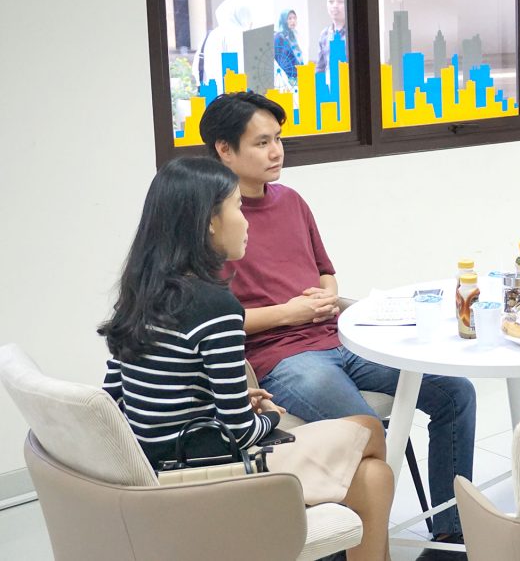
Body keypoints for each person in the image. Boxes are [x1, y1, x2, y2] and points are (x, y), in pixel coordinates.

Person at [198, 92, 475, 559]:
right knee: (366, 432)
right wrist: (290, 313)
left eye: (278, 139)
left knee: (456, 392)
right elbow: (214, 320)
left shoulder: (291, 201)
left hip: (339, 337)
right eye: (262, 143)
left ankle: (450, 535)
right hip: (282, 358)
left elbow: (325, 271)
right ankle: (359, 546)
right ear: (224, 149)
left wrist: (326, 294)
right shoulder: (214, 222)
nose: (276, 152)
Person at [99, 157, 394, 561]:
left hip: (159, 464)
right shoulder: (215, 305)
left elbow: (114, 395)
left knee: (374, 477)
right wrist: (269, 416)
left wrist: (224, 401)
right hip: (212, 469)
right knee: (370, 429)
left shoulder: (140, 291)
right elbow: (240, 432)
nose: (247, 221)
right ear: (210, 222)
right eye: (237, 207)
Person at [192, 0, 253, 92]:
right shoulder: (241, 36)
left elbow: (196, 68)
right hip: (237, 97)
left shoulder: (209, 35)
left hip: (212, 96)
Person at [316, 0, 347, 74]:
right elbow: (320, 68)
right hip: (330, 82)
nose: (335, 6)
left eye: (340, 1)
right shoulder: (324, 34)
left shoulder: (356, 33)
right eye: (331, 2)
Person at [274, 8, 303, 88]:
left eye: (294, 18)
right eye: (289, 18)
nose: (293, 21)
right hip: (287, 79)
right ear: (284, 20)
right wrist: (291, 79)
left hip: (299, 76)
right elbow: (282, 61)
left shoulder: (294, 35)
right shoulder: (279, 37)